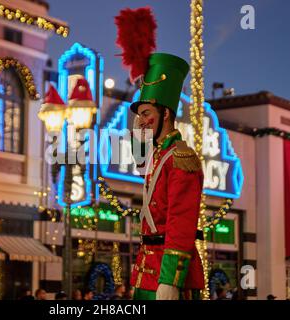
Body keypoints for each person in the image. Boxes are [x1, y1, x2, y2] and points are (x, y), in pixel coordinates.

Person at [115, 7, 204, 300]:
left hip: (168, 275)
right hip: (146, 269)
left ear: (166, 115)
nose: (142, 121)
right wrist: (140, 111)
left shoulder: (181, 158)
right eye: (139, 116)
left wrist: (170, 281)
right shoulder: (156, 155)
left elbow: (181, 223)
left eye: (148, 114)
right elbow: (138, 153)